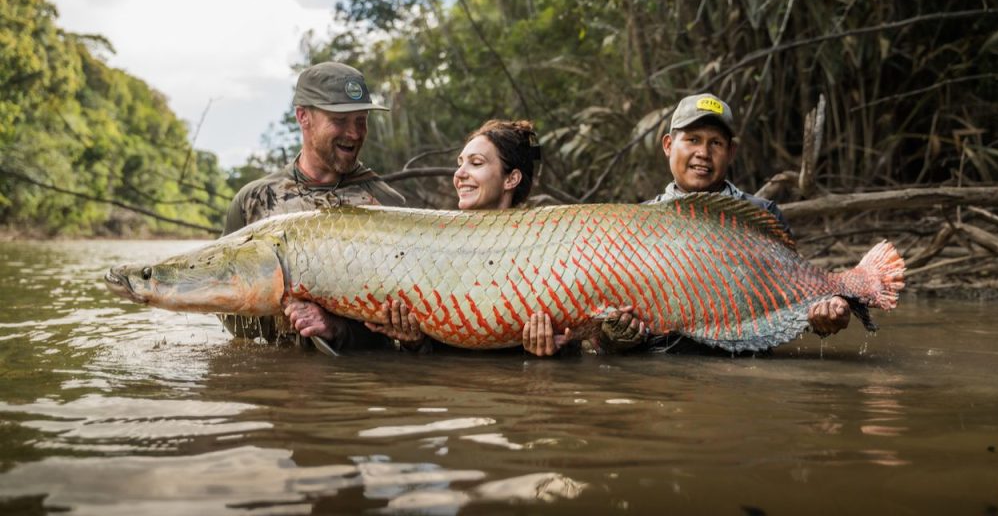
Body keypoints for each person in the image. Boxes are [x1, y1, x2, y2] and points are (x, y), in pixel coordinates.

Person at [370, 119, 648, 356]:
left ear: (511, 179)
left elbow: (577, 339)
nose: (459, 174)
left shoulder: (551, 243)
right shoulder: (435, 240)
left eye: (475, 163)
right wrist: (413, 342)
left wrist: (554, 351)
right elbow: (433, 351)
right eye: (460, 163)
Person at [221, 61, 415, 352]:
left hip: (357, 382)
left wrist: (336, 328)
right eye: (340, 121)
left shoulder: (388, 205)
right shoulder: (253, 202)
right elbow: (232, 318)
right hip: (278, 382)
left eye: (360, 121)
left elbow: (396, 329)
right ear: (303, 117)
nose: (354, 133)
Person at [647, 92, 851, 341]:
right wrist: (613, 335)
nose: (703, 152)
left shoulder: (763, 215)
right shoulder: (640, 220)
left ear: (731, 151)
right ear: (668, 145)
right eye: (692, 139)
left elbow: (794, 294)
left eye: (716, 143)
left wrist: (824, 313)